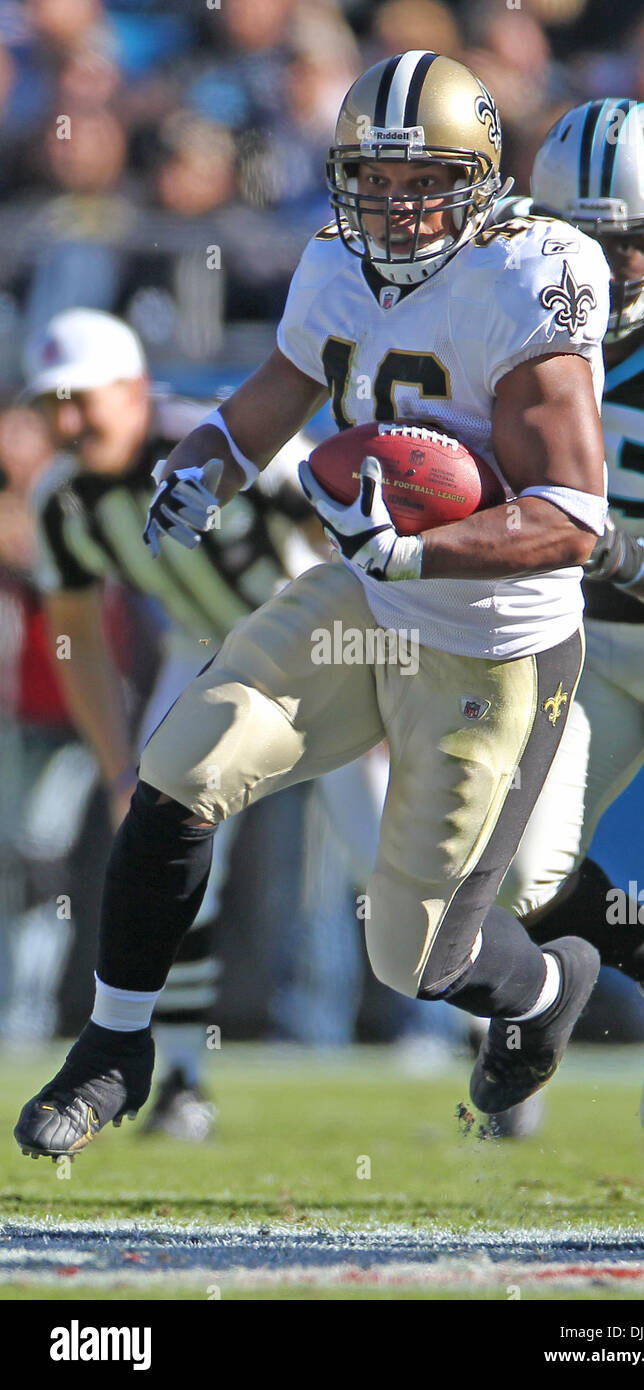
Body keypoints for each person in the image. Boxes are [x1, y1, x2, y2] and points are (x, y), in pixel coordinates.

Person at [14, 50, 612, 1160]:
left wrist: (416, 550)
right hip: (362, 598)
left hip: (498, 643)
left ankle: (545, 990)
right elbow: (262, 410)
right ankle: (115, 1047)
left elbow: (575, 516)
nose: (391, 205)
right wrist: (203, 465)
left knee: (418, 956)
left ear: (478, 178)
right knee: (179, 766)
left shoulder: (531, 273)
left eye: (419, 178)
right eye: (370, 180)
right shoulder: (333, 264)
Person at [21, 306, 316, 1138]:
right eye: (53, 405)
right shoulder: (68, 497)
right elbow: (76, 636)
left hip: (322, 645)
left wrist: (384, 661)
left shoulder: (216, 440)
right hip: (208, 659)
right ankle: (180, 1076)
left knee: (387, 854)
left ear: (134, 388)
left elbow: (334, 523)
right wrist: (117, 763)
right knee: (166, 854)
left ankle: (496, 1033)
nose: (70, 422)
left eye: (84, 399)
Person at [496, 98, 644, 1140]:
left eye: (634, 245)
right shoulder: (504, 306)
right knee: (510, 868)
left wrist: (633, 552)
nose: (610, 267)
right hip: (579, 634)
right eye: (585, 241)